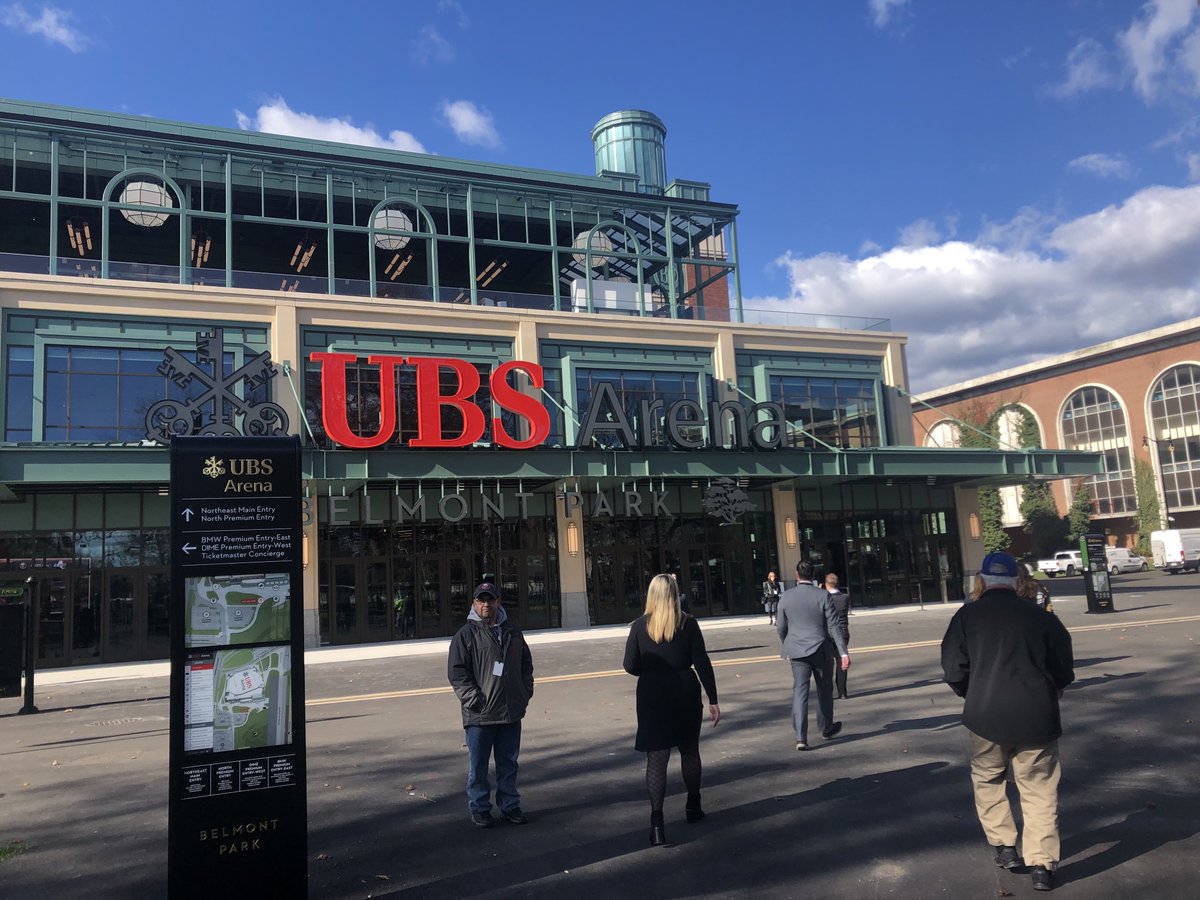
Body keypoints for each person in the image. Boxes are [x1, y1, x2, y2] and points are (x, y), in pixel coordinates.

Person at [941, 552, 1075, 892]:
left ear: (982, 581)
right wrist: (1053, 688)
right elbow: (1063, 669)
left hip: (985, 713)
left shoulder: (967, 617)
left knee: (988, 779)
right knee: (1039, 789)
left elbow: (953, 667)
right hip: (1036, 714)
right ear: (1017, 581)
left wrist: (970, 691)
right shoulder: (1042, 619)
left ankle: (1004, 846)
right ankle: (1042, 864)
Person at [623, 574, 720, 847]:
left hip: (652, 693)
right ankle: (693, 805)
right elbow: (702, 662)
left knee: (657, 758)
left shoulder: (640, 626)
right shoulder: (688, 624)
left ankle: (657, 823)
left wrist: (649, 670)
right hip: (684, 690)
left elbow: (630, 664)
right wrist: (713, 699)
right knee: (689, 751)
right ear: (676, 594)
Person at [447, 581, 535, 828]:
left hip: (510, 712)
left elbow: (526, 665)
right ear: (474, 603)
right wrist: (474, 700)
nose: (486, 604)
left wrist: (524, 692)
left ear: (498, 601)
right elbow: (457, 673)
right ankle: (480, 807)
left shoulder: (513, 632)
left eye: (490, 599)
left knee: (508, 764)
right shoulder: (465, 635)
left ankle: (510, 805)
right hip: (480, 715)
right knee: (478, 766)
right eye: (481, 600)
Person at [777, 559, 850, 751]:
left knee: (799, 692)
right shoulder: (823, 595)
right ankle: (826, 728)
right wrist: (843, 652)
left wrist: (787, 643)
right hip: (820, 649)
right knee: (824, 690)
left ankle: (801, 737)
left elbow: (781, 626)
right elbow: (834, 625)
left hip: (797, 650)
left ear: (797, 575)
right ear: (813, 576)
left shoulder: (786, 596)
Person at [825, 573, 851, 699]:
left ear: (826, 584)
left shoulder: (825, 598)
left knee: (828, 662)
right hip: (843, 631)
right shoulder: (845, 597)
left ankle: (828, 691)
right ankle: (842, 691)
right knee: (842, 661)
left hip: (829, 633)